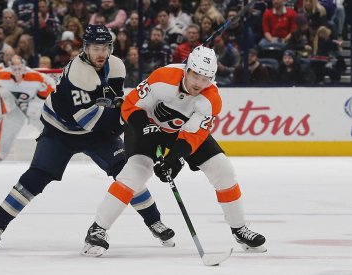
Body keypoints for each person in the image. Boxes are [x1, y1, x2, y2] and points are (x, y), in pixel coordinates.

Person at [0, 25, 176, 250]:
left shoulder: (116, 65)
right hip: (60, 131)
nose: (101, 53)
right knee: (36, 178)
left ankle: (155, 221)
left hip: (95, 131)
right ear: (85, 49)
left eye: (105, 47)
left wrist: (126, 111)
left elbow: (114, 100)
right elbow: (90, 120)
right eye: (95, 48)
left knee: (127, 173)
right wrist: (129, 120)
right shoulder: (78, 73)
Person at [81, 45, 267, 257]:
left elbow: (193, 136)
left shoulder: (211, 99)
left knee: (222, 169)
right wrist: (146, 130)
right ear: (186, 69)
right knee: (135, 172)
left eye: (205, 78)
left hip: (180, 132)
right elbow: (130, 106)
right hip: (145, 126)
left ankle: (239, 228)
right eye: (195, 75)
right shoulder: (163, 77)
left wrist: (175, 159)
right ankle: (97, 229)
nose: (198, 83)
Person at [0, 54, 53, 162]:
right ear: (10, 68)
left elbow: (50, 86)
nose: (17, 71)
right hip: (18, 106)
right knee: (8, 126)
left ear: (24, 66)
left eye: (20, 68)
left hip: (35, 104)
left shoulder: (36, 76)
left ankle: (56, 151)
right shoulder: (2, 76)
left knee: (47, 127)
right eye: (14, 69)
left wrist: (34, 106)